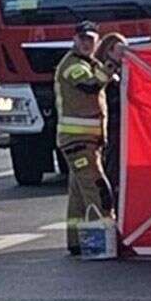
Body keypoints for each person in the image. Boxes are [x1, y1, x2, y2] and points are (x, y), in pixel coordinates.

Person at [54, 21, 118, 255]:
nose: (86, 43)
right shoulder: (73, 65)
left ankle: (76, 242)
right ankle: (103, 241)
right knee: (97, 189)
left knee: (79, 195)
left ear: (97, 42)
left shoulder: (90, 64)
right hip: (78, 142)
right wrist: (113, 64)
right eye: (82, 39)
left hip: (86, 141)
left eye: (90, 39)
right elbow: (90, 86)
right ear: (74, 39)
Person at [94, 32, 128, 202]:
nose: (125, 54)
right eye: (120, 50)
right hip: (112, 128)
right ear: (108, 51)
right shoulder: (104, 73)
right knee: (112, 169)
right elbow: (108, 99)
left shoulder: (121, 72)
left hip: (120, 129)